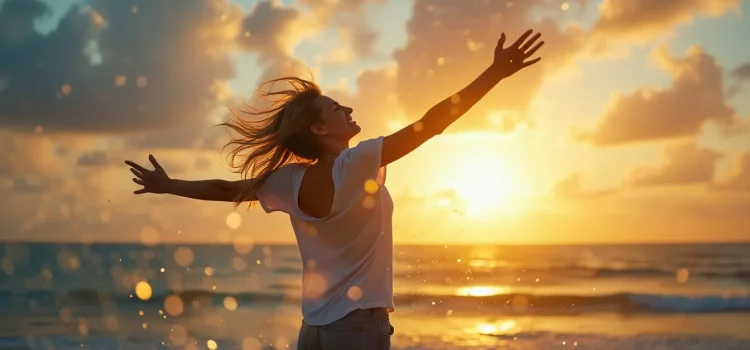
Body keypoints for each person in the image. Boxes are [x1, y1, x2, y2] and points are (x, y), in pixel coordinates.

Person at [125, 29, 544, 350]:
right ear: (320, 129)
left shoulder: (286, 182)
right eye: (336, 109)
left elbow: (224, 189)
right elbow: (431, 123)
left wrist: (168, 185)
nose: (348, 109)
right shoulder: (356, 161)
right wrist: (493, 74)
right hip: (359, 326)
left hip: (313, 331)